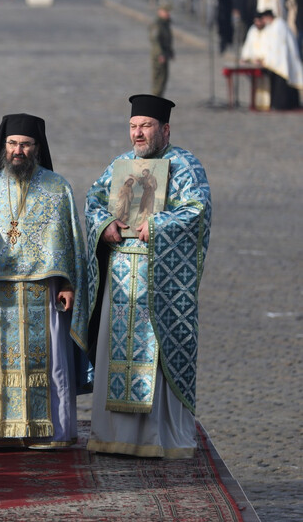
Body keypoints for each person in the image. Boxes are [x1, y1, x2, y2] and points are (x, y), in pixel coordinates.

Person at [84, 95, 211, 459]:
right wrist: (105, 224)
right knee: (115, 355)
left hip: (161, 280)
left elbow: (197, 210)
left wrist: (157, 225)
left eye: (146, 126)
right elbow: (94, 201)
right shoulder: (120, 165)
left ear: (165, 129)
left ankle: (160, 438)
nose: (138, 134)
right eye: (133, 127)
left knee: (155, 358)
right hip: (120, 277)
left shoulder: (184, 165)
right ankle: (113, 435)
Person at [0, 113, 89, 449]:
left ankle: (48, 431)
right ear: (4, 146)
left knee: (50, 362)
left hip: (44, 291)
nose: (19, 150)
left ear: (37, 147)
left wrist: (69, 284)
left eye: (26, 144)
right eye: (13, 144)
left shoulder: (57, 188)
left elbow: (71, 244)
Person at [241, 9, 303, 109]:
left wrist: (266, 60)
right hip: (276, 62)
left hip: (281, 63)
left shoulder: (279, 26)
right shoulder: (270, 27)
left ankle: (282, 105)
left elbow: (277, 48)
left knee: (282, 86)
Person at [150, 4, 174, 97]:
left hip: (165, 54)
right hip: (158, 55)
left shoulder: (165, 23)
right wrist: (160, 54)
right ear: (159, 11)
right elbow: (155, 41)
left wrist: (170, 52)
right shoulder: (157, 25)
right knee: (158, 78)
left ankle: (159, 98)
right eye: (166, 11)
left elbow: (168, 40)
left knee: (164, 77)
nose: (168, 14)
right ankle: (155, 98)